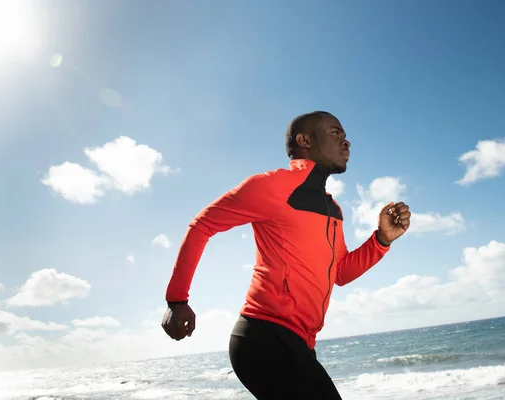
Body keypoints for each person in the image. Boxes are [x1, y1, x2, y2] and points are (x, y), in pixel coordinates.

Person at [162, 111, 411, 399]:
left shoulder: (334, 210)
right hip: (263, 338)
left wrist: (380, 240)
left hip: (300, 344)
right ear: (304, 140)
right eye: (335, 133)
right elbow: (202, 225)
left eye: (344, 136)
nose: (346, 142)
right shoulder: (270, 186)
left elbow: (339, 273)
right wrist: (177, 299)